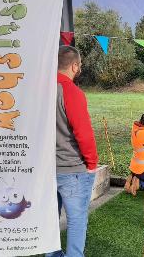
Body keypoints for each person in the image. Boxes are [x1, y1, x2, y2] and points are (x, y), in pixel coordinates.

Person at [46, 46, 99, 257]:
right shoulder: (71, 91)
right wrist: (92, 163)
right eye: (80, 65)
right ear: (74, 66)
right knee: (77, 220)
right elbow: (83, 133)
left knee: (50, 219)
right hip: (73, 170)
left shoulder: (41, 91)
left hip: (47, 168)